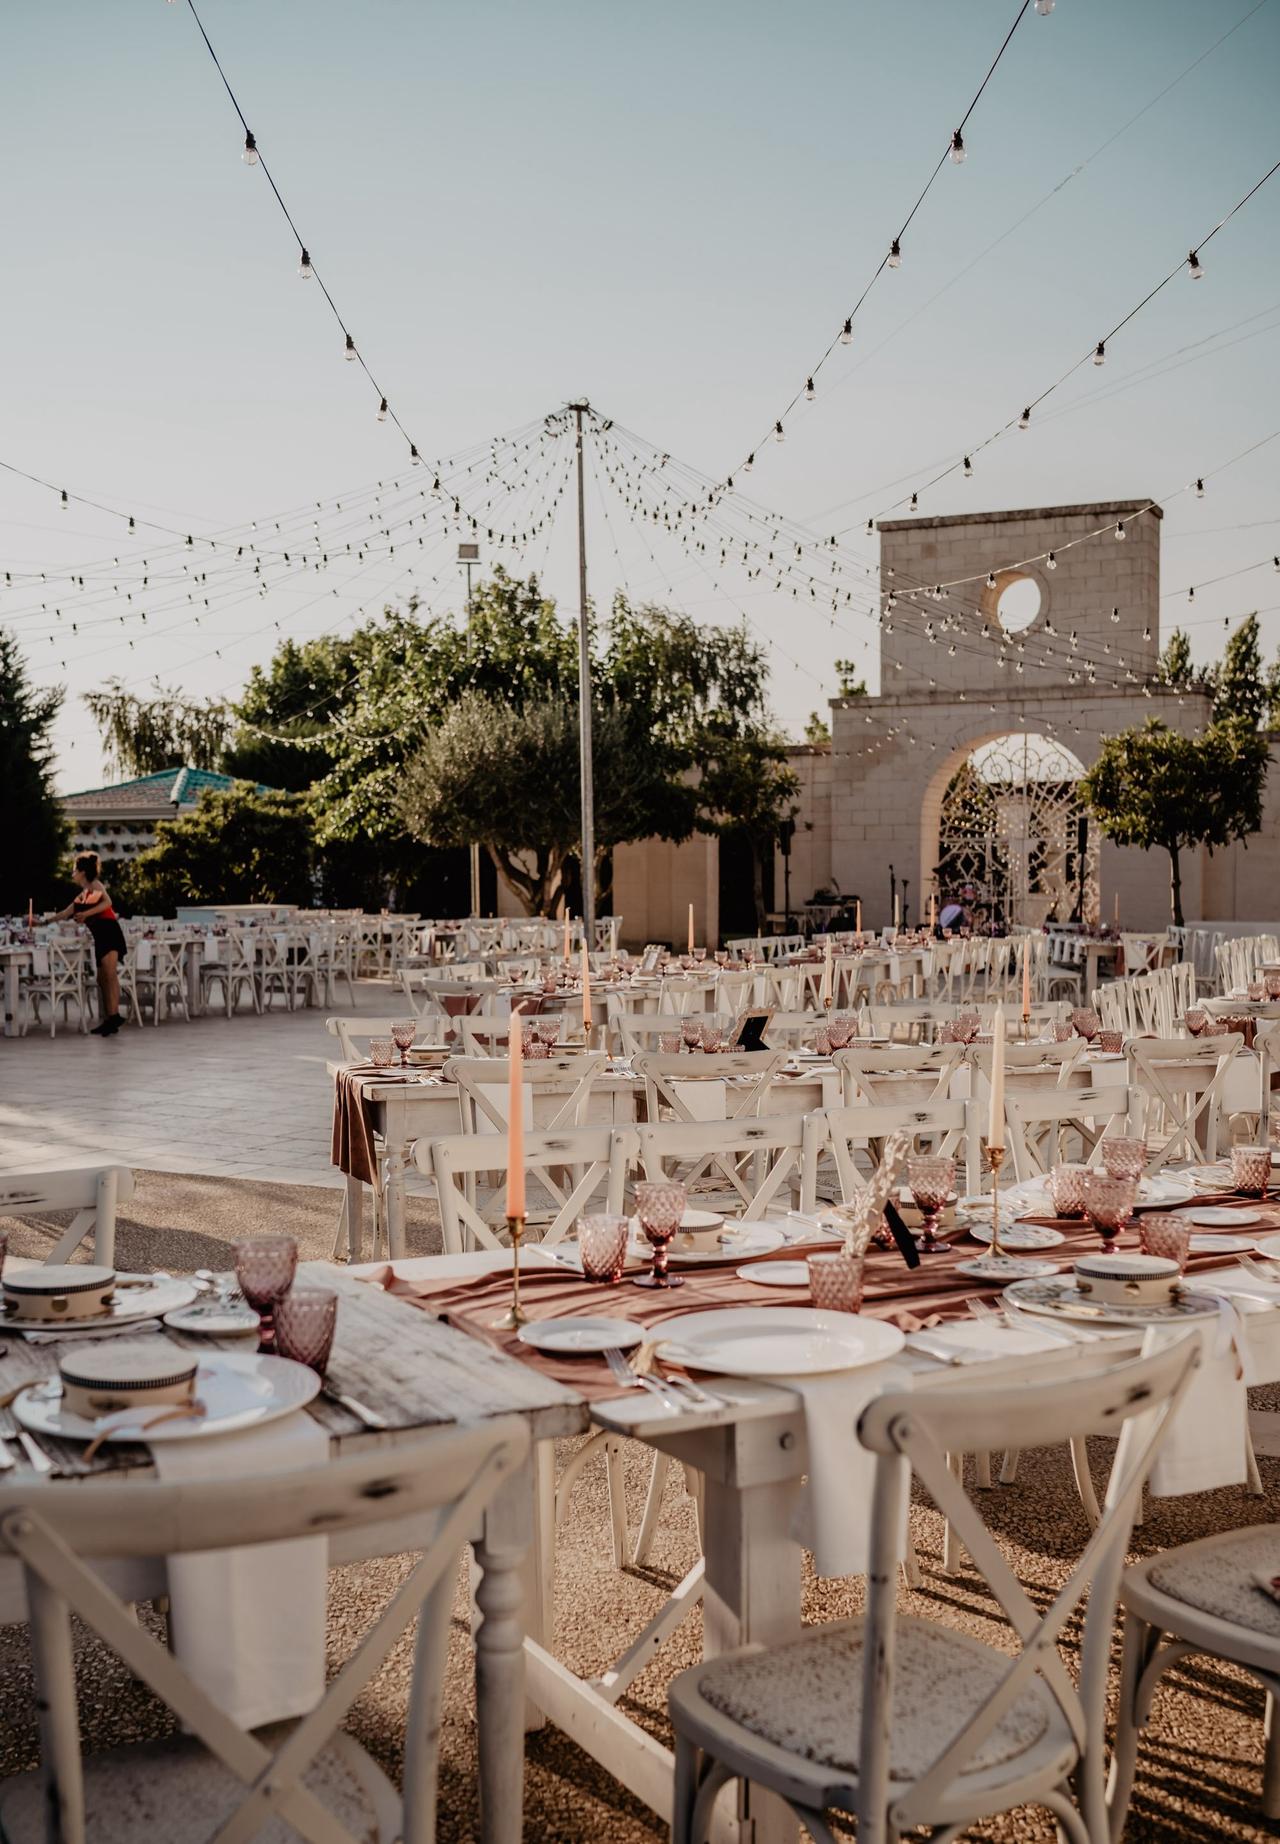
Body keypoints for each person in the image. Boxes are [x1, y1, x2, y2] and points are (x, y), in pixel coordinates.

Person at [54, 852, 127, 1036]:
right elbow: (65, 913)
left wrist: (87, 914)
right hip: (101, 935)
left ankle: (114, 1017)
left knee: (109, 976)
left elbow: (108, 902)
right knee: (102, 978)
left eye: (74, 870)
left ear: (82, 872)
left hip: (109, 931)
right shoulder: (84, 895)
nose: (72, 873)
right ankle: (111, 1018)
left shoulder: (95, 885)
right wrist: (43, 922)